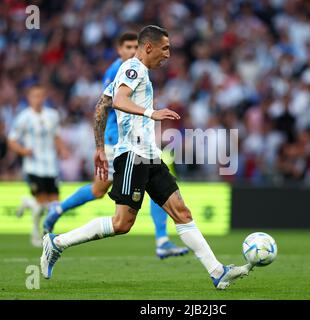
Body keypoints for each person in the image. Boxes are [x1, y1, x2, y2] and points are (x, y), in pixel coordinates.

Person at [40, 25, 252, 289]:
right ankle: (57, 242)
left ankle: (217, 271)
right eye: (165, 48)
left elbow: (102, 105)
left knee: (182, 212)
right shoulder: (134, 69)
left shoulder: (133, 71)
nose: (168, 54)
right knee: (121, 223)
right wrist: (151, 113)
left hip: (149, 155)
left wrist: (98, 147)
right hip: (132, 155)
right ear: (149, 47)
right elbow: (118, 100)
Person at [42, 32, 188, 259]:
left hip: (136, 141)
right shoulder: (119, 70)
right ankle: (58, 211)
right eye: (127, 47)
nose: (131, 51)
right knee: (99, 190)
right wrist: (101, 145)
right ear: (119, 49)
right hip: (117, 140)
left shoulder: (139, 68)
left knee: (155, 182)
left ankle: (162, 240)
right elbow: (108, 104)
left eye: (133, 46)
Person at [8, 85, 67, 247]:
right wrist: (23, 150)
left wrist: (63, 149)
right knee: (41, 204)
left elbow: (56, 136)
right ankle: (37, 235)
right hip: (33, 166)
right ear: (29, 98)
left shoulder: (53, 115)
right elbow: (12, 140)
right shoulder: (24, 117)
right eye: (35, 96)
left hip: (51, 166)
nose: (38, 99)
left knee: (54, 205)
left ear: (45, 96)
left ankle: (27, 203)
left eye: (41, 95)